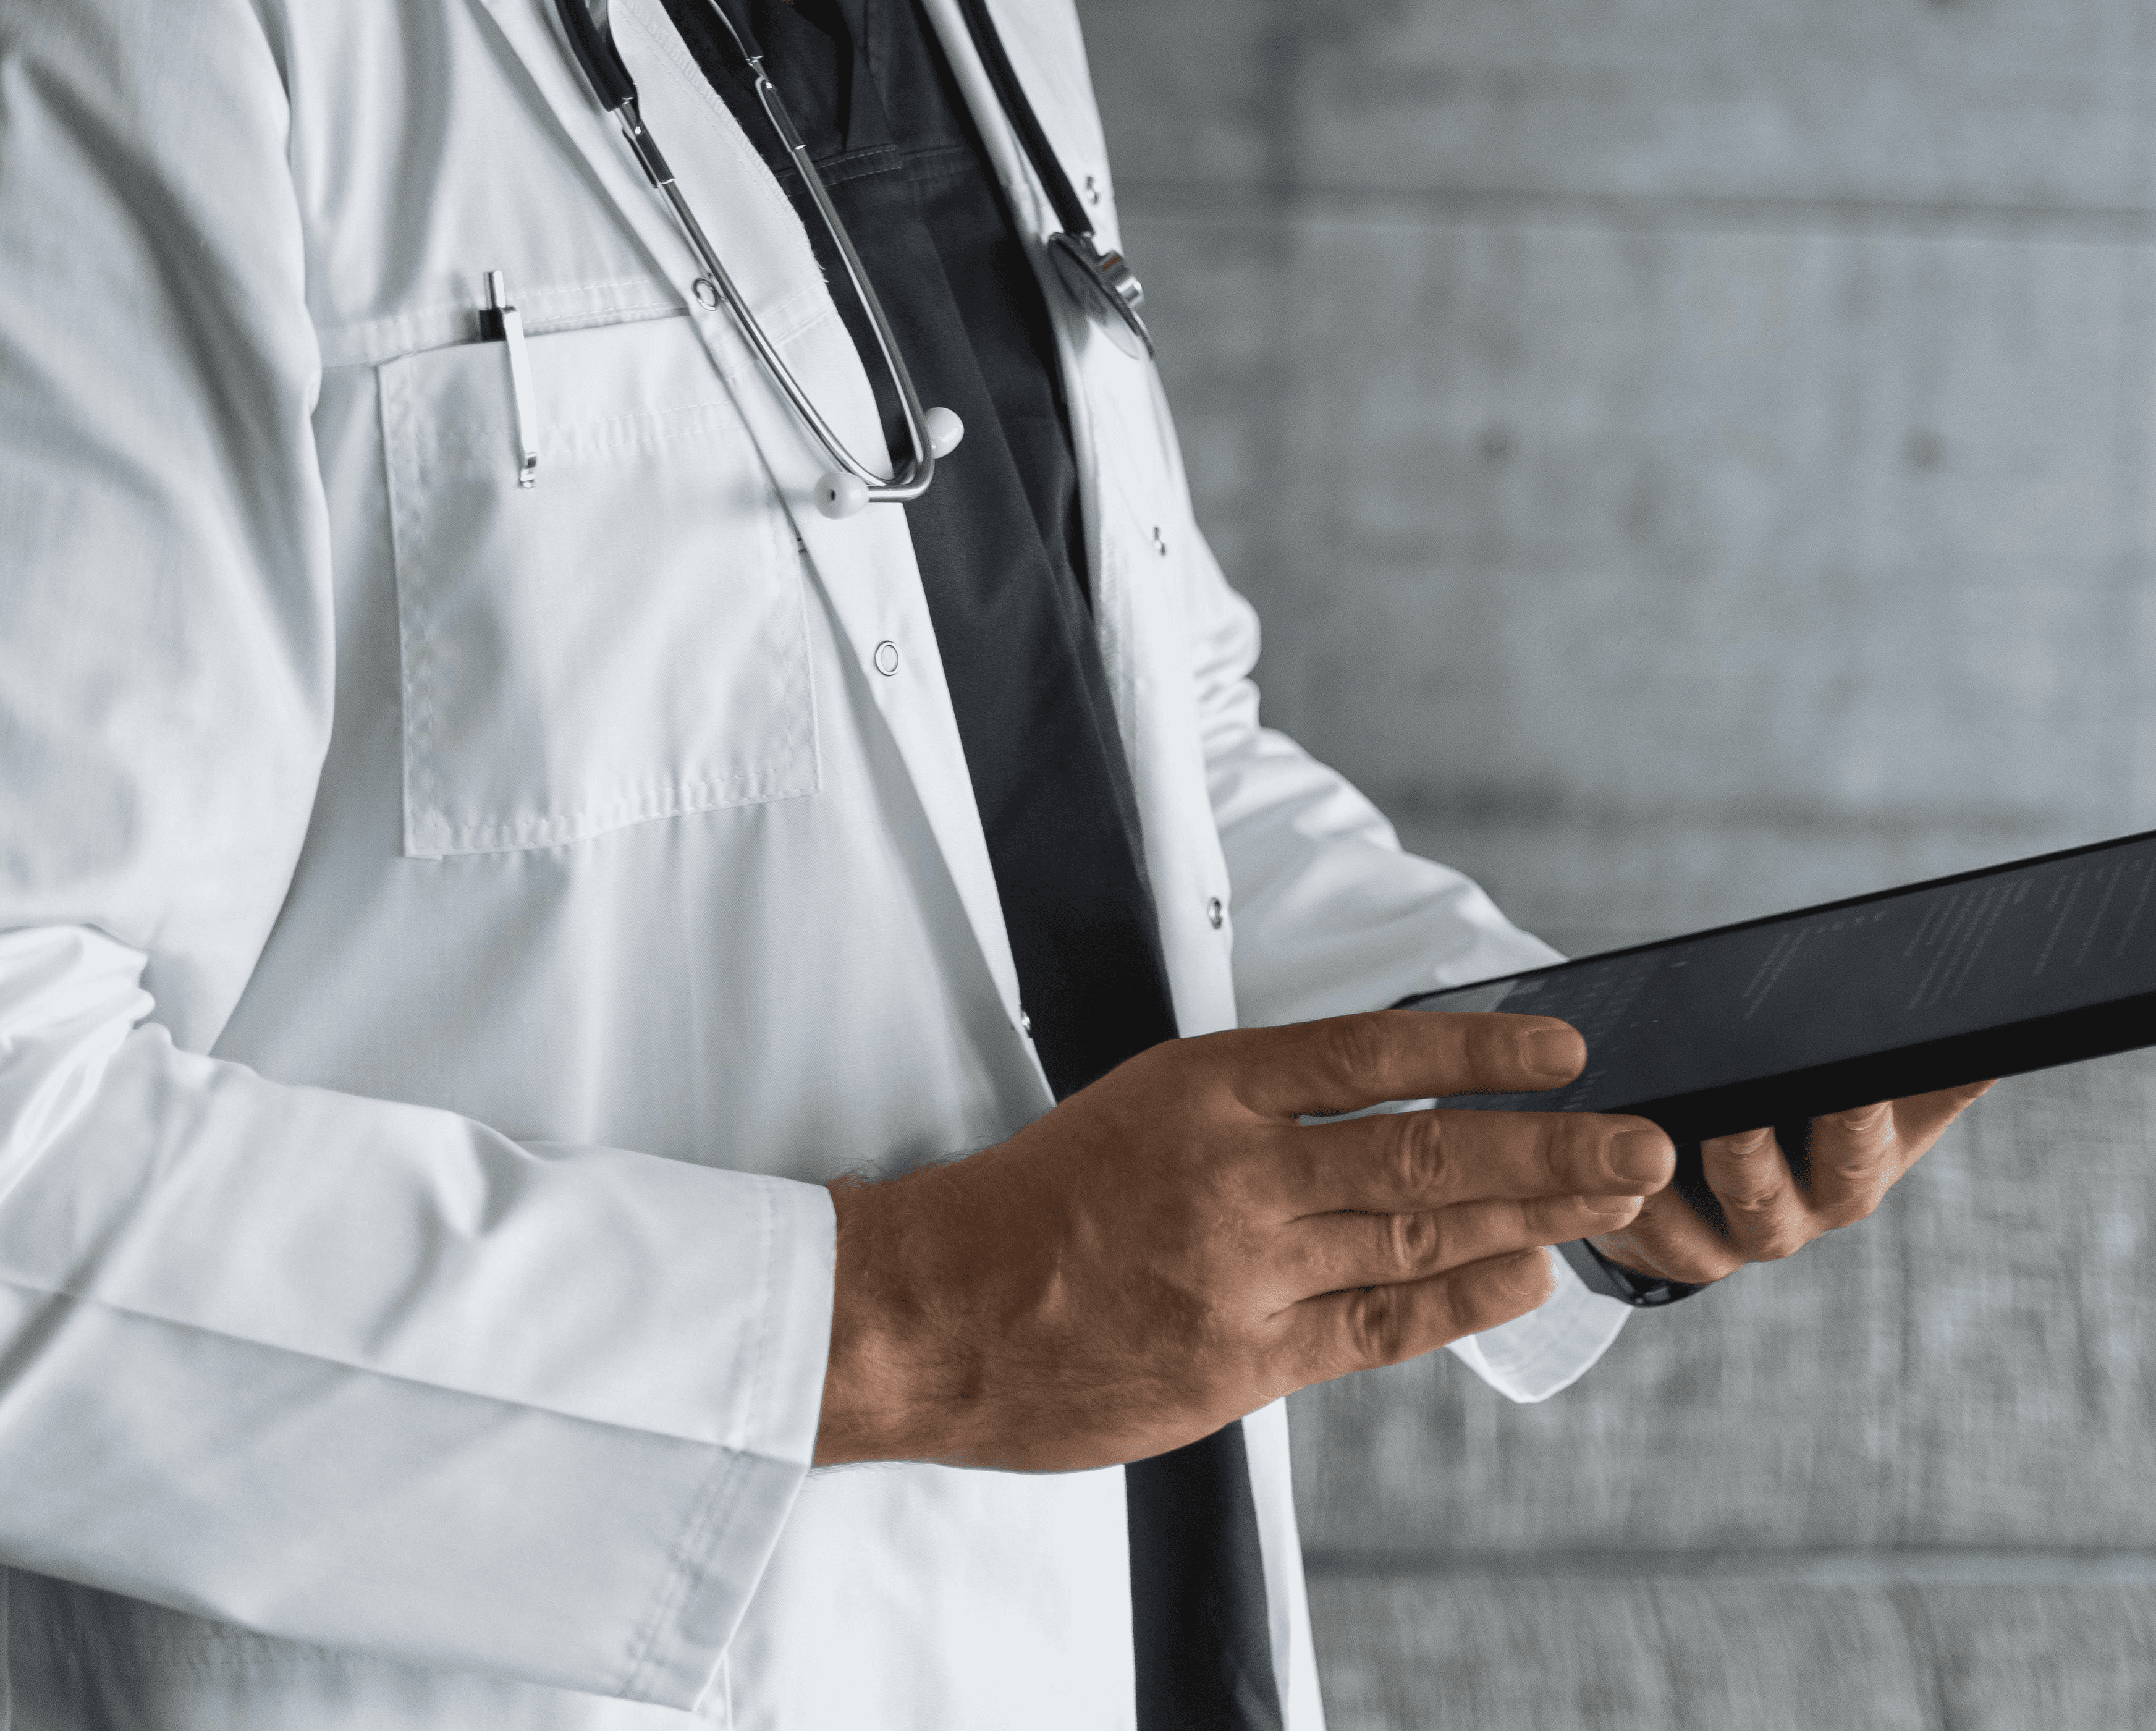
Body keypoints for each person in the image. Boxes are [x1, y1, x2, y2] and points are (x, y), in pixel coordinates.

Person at [0, 0, 1989, 1725]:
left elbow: (1123, 740)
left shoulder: (985, 25)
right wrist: (903, 1324)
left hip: (1117, 1633)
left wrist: (1554, 1084)